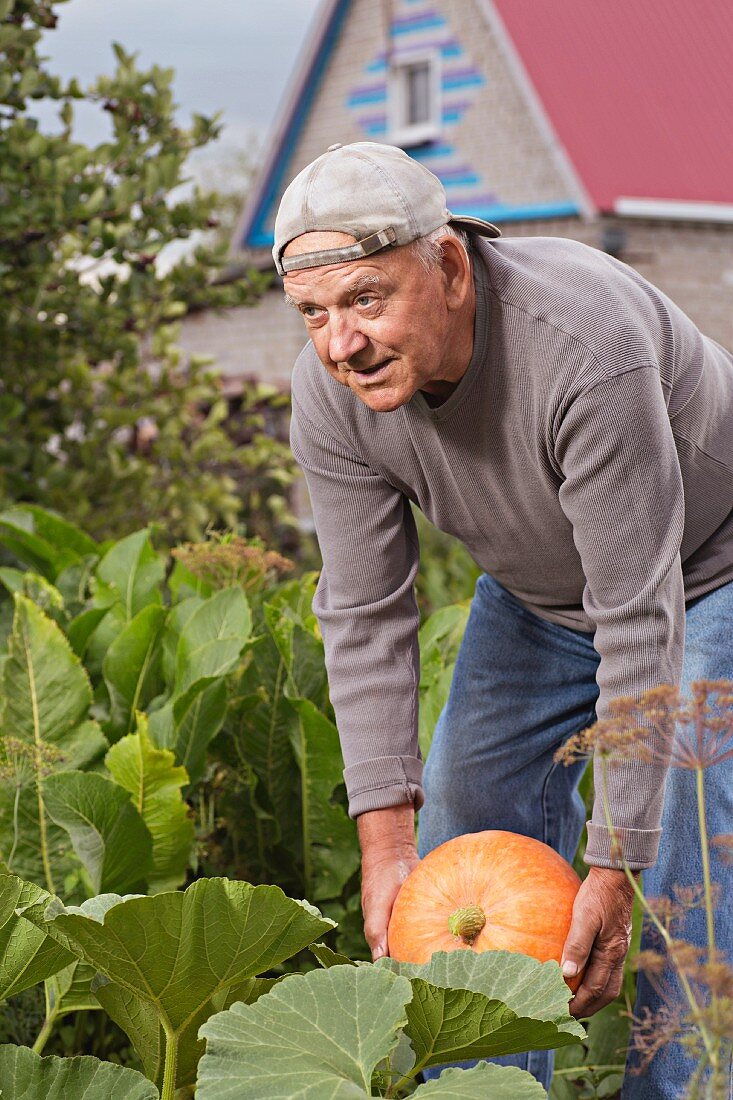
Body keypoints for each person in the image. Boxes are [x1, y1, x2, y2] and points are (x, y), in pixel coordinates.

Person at [274, 140, 733, 1097]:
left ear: (447, 264)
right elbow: (362, 612)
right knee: (460, 809)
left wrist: (612, 868)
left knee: (688, 852)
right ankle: (487, 1088)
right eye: (311, 313)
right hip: (535, 597)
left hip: (705, 570)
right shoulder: (331, 395)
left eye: (365, 299)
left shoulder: (584, 347)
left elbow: (637, 612)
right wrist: (385, 842)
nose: (338, 345)